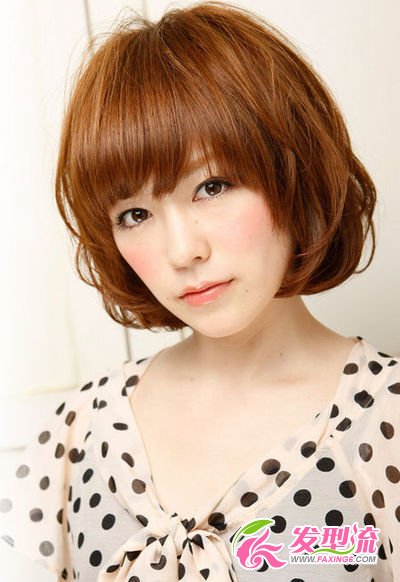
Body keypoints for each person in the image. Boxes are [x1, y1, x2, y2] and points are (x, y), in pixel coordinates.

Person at [0, 1, 399, 581]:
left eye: (212, 186)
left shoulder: (386, 420)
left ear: (294, 170)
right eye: (135, 214)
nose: (182, 251)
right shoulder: (80, 430)